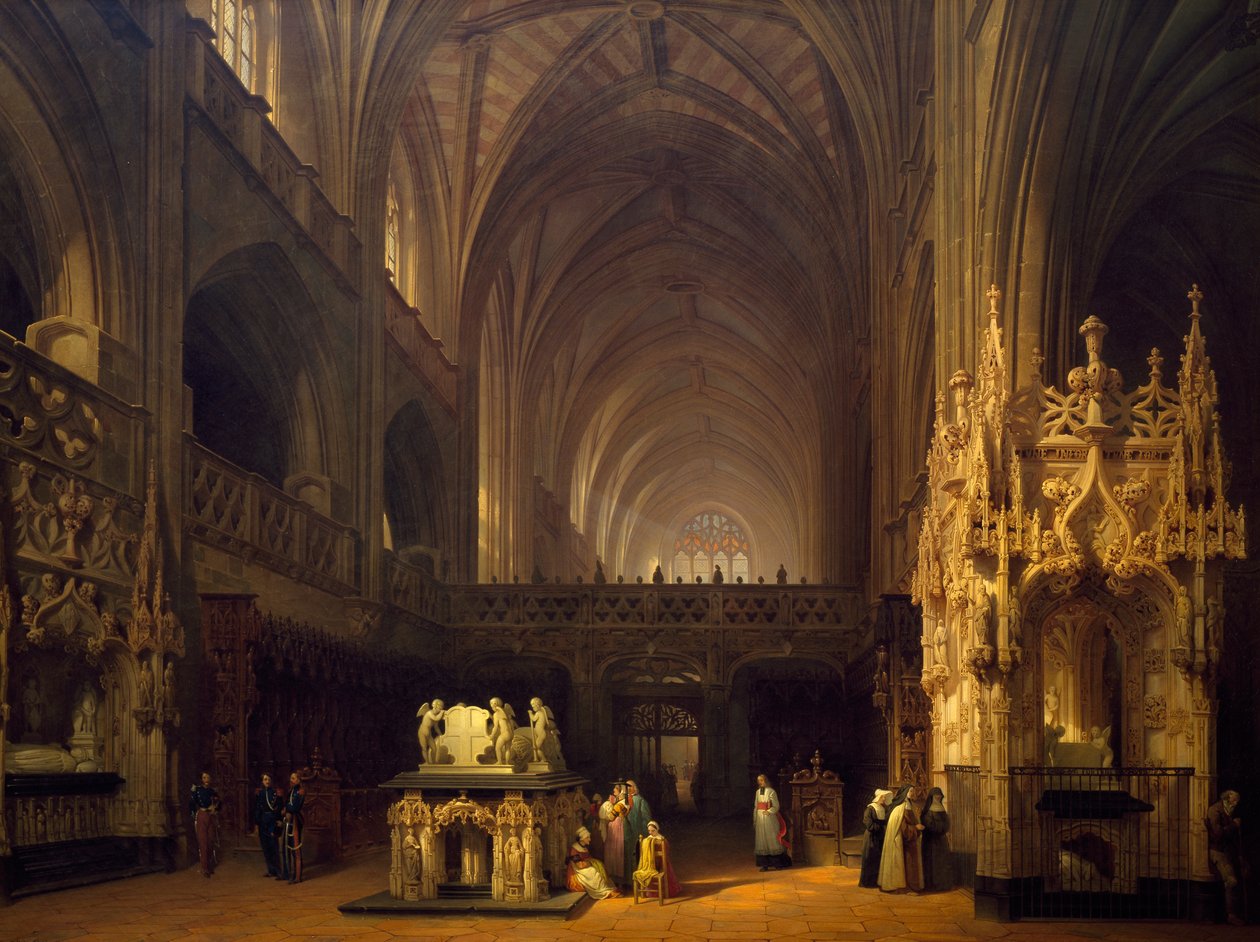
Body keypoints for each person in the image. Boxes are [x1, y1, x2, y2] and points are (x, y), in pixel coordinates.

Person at [1206, 789, 1245, 925]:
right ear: (1227, 799)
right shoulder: (1215, 810)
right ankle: (1231, 915)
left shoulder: (1229, 811)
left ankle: (1233, 913)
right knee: (1231, 881)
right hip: (1218, 852)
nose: (1236, 804)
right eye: (1234, 801)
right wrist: (1234, 825)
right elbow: (1217, 834)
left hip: (1228, 852)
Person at [878, 785, 924, 892]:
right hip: (903, 842)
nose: (912, 793)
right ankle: (906, 888)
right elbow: (903, 828)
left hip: (910, 841)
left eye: (913, 791)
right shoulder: (900, 809)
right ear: (905, 793)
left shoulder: (910, 806)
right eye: (910, 791)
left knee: (911, 865)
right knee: (906, 865)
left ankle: (911, 887)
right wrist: (916, 828)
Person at [566, 826, 621, 899]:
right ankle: (603, 892)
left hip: (584, 866)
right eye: (588, 838)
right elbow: (579, 865)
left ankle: (606, 889)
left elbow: (589, 858)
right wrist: (592, 863)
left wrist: (595, 863)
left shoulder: (584, 847)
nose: (590, 839)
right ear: (582, 839)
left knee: (599, 869)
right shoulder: (574, 848)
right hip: (576, 870)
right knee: (594, 872)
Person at [753, 773, 792, 871]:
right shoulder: (758, 792)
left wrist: (769, 811)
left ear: (765, 780)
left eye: (761, 780)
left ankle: (777, 864)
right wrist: (755, 819)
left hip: (769, 818)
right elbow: (756, 806)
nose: (760, 782)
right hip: (760, 818)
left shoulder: (771, 791)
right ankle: (765, 865)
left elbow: (776, 806)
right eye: (758, 781)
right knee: (762, 840)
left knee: (772, 840)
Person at [633, 820, 681, 899]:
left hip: (661, 862)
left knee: (665, 868)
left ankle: (665, 891)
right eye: (649, 831)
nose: (650, 833)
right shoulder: (647, 840)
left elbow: (666, 853)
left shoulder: (662, 839)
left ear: (657, 830)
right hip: (650, 864)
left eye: (653, 831)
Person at [188, 771, 220, 877]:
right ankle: (204, 868)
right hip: (201, 815)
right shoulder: (197, 790)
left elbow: (219, 802)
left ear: (210, 779)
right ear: (201, 779)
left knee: (210, 841)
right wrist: (193, 814)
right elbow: (192, 803)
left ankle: (209, 866)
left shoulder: (212, 791)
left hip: (211, 816)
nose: (206, 779)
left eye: (208, 777)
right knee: (203, 842)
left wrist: (215, 808)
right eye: (204, 777)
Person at [859, 788, 893, 888]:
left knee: (879, 858)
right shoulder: (870, 808)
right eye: (883, 797)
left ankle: (877, 881)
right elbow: (868, 823)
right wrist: (880, 827)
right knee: (870, 858)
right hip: (871, 836)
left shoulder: (883, 808)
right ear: (878, 797)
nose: (884, 799)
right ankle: (868, 882)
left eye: (885, 797)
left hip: (881, 836)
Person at [920, 787, 951, 891]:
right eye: (936, 795)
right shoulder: (928, 811)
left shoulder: (941, 808)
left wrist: (943, 828)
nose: (938, 797)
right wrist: (940, 828)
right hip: (931, 841)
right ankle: (931, 884)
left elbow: (947, 824)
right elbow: (928, 824)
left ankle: (942, 884)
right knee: (931, 862)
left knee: (941, 862)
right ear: (932, 797)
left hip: (941, 841)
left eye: (939, 795)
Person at [623, 779, 653, 885]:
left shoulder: (640, 801)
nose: (628, 789)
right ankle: (629, 882)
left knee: (639, 858)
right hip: (627, 835)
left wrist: (644, 833)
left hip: (639, 835)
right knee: (627, 857)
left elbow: (647, 819)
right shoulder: (623, 801)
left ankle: (640, 881)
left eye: (630, 786)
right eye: (626, 787)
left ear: (634, 788)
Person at [253, 772, 283, 878]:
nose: (267, 781)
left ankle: (278, 871)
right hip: (262, 822)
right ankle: (271, 870)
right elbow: (257, 809)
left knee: (273, 846)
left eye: (269, 779)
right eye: (265, 779)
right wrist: (257, 823)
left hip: (272, 821)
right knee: (265, 847)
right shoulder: (259, 794)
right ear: (262, 781)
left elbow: (279, 808)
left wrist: (279, 820)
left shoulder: (276, 793)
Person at [280, 771, 305, 883]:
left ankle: (298, 876)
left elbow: (295, 807)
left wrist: (287, 809)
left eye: (294, 778)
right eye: (291, 778)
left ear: (299, 780)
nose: (291, 780)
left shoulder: (301, 791)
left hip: (296, 821)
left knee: (295, 848)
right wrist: (286, 809)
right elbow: (287, 805)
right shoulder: (291, 791)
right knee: (289, 847)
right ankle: (290, 873)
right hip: (289, 821)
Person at [602, 783, 627, 884]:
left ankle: (616, 875)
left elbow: (611, 817)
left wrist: (608, 808)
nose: (613, 790)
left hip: (616, 826)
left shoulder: (620, 803)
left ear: (620, 791)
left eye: (615, 789)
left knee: (615, 849)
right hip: (618, 825)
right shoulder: (621, 801)